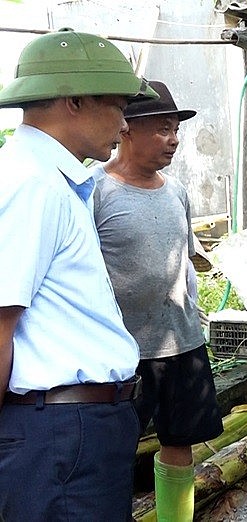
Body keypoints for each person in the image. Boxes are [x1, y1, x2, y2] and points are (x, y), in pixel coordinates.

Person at [0, 29, 158, 520]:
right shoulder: (32, 184)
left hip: (74, 430)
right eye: (118, 106)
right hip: (60, 433)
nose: (124, 123)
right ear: (74, 100)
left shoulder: (52, 180)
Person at [92, 80, 224, 522]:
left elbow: (186, 262)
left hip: (182, 342)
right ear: (127, 127)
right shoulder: (95, 192)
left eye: (175, 129)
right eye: (162, 128)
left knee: (180, 440)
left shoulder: (177, 192)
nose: (173, 139)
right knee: (112, 452)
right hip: (122, 352)